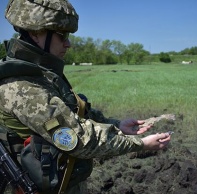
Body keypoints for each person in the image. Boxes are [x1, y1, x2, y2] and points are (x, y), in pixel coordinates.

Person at [0, 0, 171, 193]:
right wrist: (140, 144)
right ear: (35, 33)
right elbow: (76, 138)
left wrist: (116, 125)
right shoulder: (23, 87)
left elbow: (73, 112)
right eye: (61, 35)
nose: (68, 43)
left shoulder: (42, 73)